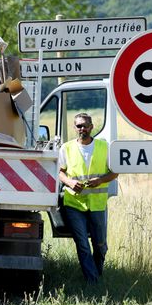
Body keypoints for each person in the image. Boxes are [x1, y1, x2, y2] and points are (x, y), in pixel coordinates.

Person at [58, 113, 119, 283]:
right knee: (82, 244)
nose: (82, 129)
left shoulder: (103, 147)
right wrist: (70, 183)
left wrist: (100, 180)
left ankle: (98, 273)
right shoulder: (67, 148)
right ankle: (92, 281)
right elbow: (60, 172)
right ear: (74, 128)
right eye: (78, 126)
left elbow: (115, 172)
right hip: (74, 204)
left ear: (92, 127)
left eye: (85, 125)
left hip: (97, 204)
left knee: (100, 246)